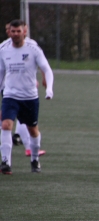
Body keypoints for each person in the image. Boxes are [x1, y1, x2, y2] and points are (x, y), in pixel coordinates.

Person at [0, 19, 53, 174]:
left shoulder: (33, 49)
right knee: (5, 125)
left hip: (30, 97)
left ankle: (35, 159)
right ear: (9, 31)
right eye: (13, 31)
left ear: (25, 31)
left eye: (18, 31)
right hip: (10, 95)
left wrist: (49, 89)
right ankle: (5, 162)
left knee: (33, 130)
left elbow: (47, 69)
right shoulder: (3, 49)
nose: (15, 34)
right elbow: (1, 73)